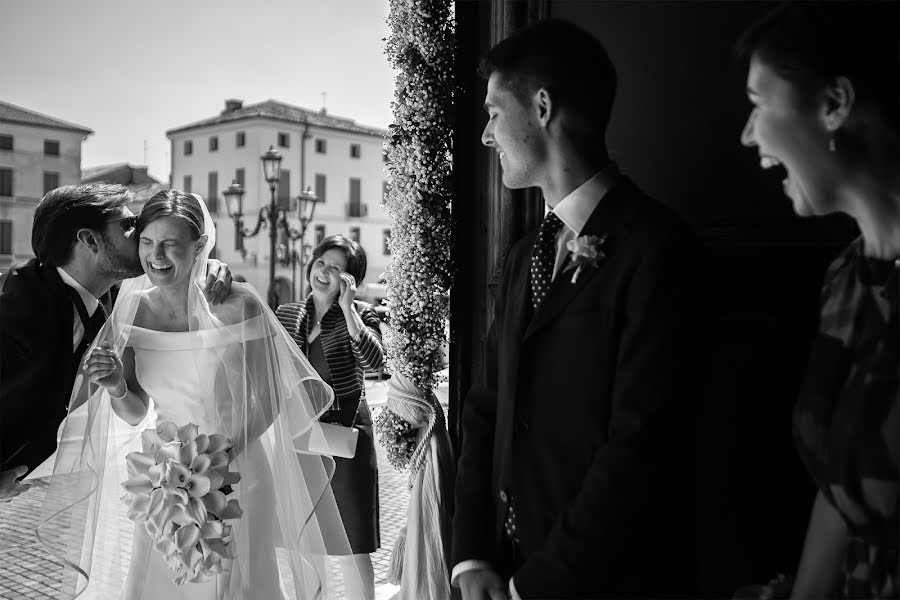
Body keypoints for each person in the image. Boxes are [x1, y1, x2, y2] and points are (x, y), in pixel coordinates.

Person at [451, 18, 710, 599]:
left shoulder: (659, 251)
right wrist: (471, 556)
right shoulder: (523, 259)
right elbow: (485, 411)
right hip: (500, 567)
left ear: (541, 107)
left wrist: (534, 587)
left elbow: (641, 449)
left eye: (494, 112)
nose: (486, 135)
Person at [37, 190, 362, 599]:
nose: (157, 256)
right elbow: (136, 412)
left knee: (238, 585)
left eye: (171, 244)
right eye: (148, 242)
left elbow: (271, 397)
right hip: (163, 480)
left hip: (240, 471)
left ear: (200, 246)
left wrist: (220, 462)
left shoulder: (240, 304)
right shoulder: (132, 311)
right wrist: (118, 385)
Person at [736, 3, 899, 598]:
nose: (748, 134)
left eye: (758, 103)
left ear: (834, 104)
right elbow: (839, 492)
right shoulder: (845, 280)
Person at [0, 183, 232, 500]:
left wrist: (205, 265)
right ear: (89, 240)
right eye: (127, 225)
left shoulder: (115, 297)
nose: (140, 233)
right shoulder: (15, 308)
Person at [275, 235, 384, 600]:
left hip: (347, 436)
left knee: (352, 539)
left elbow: (375, 364)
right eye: (321, 262)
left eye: (336, 268)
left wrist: (350, 309)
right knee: (306, 535)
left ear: (350, 279)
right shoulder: (288, 314)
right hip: (303, 436)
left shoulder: (363, 314)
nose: (324, 272)